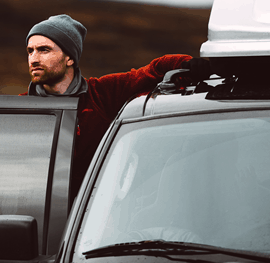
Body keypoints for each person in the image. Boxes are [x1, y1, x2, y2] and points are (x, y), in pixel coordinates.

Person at [22, 14, 193, 199]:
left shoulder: (101, 93)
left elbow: (153, 71)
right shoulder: (20, 109)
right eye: (30, 51)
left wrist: (190, 65)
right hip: (38, 211)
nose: (34, 59)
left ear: (69, 58)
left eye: (44, 50)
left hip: (93, 210)